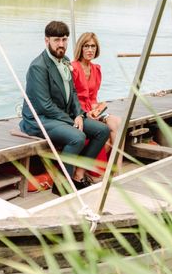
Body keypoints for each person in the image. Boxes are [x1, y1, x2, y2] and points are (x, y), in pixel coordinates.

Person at [19, 21, 110, 195]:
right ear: (47, 41)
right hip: (40, 119)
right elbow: (44, 105)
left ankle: (78, 175)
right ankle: (62, 186)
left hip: (62, 117)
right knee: (77, 136)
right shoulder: (38, 67)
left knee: (102, 130)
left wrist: (79, 114)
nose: (61, 44)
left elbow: (73, 93)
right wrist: (72, 121)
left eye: (64, 39)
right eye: (56, 40)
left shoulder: (66, 61)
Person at [71, 32, 122, 175]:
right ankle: (97, 167)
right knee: (106, 128)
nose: (90, 50)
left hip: (91, 111)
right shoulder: (73, 68)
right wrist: (85, 113)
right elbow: (71, 98)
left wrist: (98, 111)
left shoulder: (96, 69)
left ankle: (117, 170)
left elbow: (93, 98)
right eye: (86, 46)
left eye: (93, 46)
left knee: (117, 122)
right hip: (78, 112)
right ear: (80, 48)